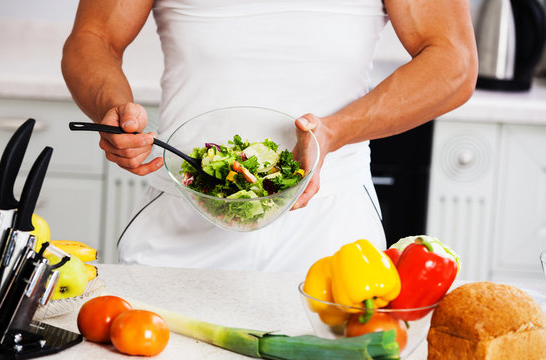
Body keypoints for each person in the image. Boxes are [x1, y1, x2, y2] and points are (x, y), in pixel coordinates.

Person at [61, 0, 477, 272]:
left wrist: (333, 132)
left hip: (330, 232)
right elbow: (93, 38)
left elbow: (453, 61)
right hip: (181, 221)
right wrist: (111, 107)